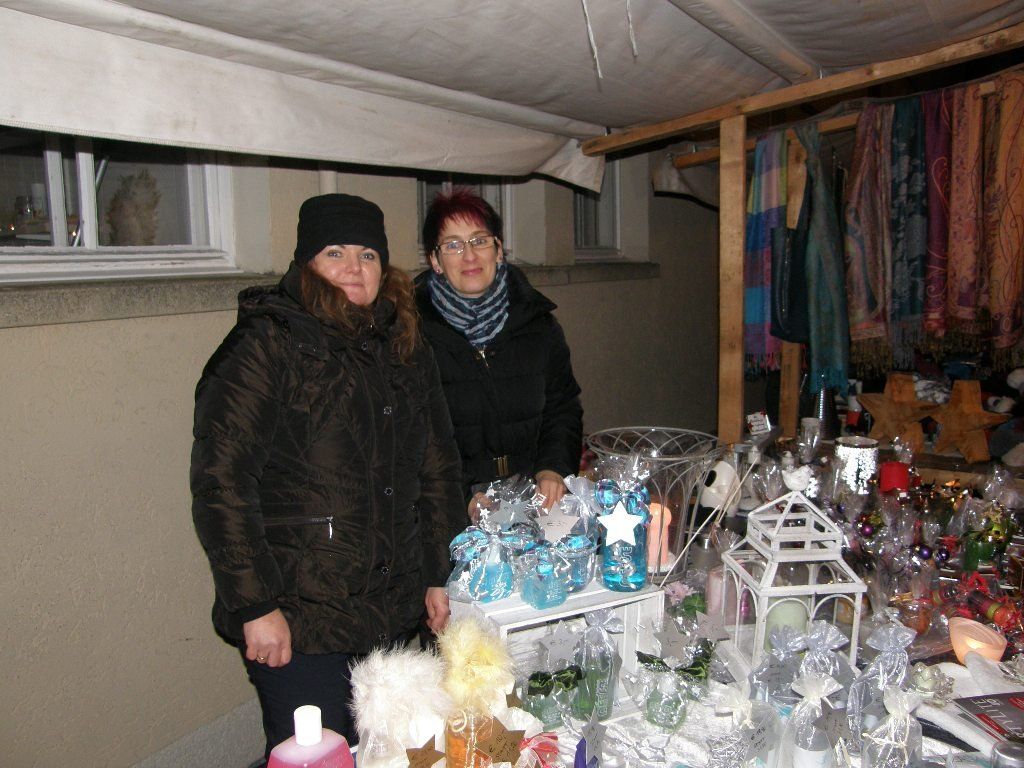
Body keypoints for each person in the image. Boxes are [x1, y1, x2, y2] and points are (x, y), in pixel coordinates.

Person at [190, 193, 466, 758]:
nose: (353, 268)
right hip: (302, 621)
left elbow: (438, 468)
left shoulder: (405, 344)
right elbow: (223, 483)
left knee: (392, 753)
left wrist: (439, 573)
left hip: (391, 611)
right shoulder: (266, 344)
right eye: (335, 252)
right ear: (307, 263)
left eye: (368, 255)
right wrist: (256, 606)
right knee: (318, 757)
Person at [415, 188, 584, 512]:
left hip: (534, 499)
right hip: (449, 505)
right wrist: (462, 495)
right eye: (453, 245)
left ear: (498, 249)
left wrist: (553, 468)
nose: (469, 255)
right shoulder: (413, 335)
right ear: (435, 260)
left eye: (479, 240)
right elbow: (412, 432)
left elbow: (562, 407)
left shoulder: (538, 325)